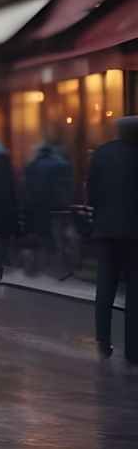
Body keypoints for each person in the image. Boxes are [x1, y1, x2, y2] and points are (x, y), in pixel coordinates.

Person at [87, 116, 138, 361]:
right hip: (134, 235)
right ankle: (133, 350)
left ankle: (103, 343)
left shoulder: (101, 154)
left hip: (106, 231)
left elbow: (92, 193)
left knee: (105, 288)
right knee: (135, 294)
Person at [24, 141, 75, 276]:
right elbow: (67, 184)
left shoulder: (33, 164)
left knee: (41, 233)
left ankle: (37, 267)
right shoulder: (60, 163)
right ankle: (59, 266)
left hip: (36, 205)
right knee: (58, 234)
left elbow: (28, 185)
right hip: (57, 205)